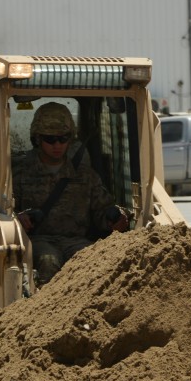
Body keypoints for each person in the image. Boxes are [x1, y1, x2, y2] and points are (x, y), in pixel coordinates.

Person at [13, 102, 129, 286]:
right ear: (37, 138)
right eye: (50, 139)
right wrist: (18, 219)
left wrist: (116, 218)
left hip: (75, 241)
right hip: (39, 240)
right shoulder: (21, 173)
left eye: (63, 138)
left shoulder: (85, 175)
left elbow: (102, 210)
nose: (57, 145)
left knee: (92, 259)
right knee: (48, 261)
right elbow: (5, 213)